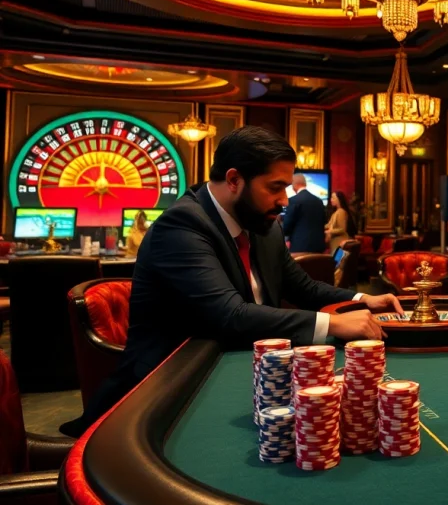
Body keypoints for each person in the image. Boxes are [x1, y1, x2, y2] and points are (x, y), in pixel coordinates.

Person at [59, 126, 402, 437]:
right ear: (234, 179)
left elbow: (303, 287)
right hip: (165, 395)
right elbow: (231, 314)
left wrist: (360, 299)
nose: (284, 201)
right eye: (275, 188)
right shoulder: (181, 226)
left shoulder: (262, 224)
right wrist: (336, 323)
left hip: (241, 372)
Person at [282, 173, 327, 253]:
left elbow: (287, 226)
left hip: (300, 247)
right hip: (319, 247)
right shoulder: (319, 201)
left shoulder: (293, 200)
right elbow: (324, 221)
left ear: (294, 185)